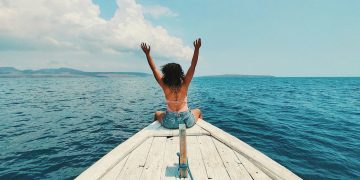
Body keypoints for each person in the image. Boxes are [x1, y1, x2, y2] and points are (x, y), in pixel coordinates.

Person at [140, 38, 203, 129]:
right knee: (198, 111)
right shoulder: (185, 83)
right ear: (180, 72)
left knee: (157, 113)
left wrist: (147, 54)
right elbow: (193, 65)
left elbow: (153, 69)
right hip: (187, 121)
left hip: (169, 122)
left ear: (166, 73)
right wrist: (197, 49)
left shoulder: (164, 85)